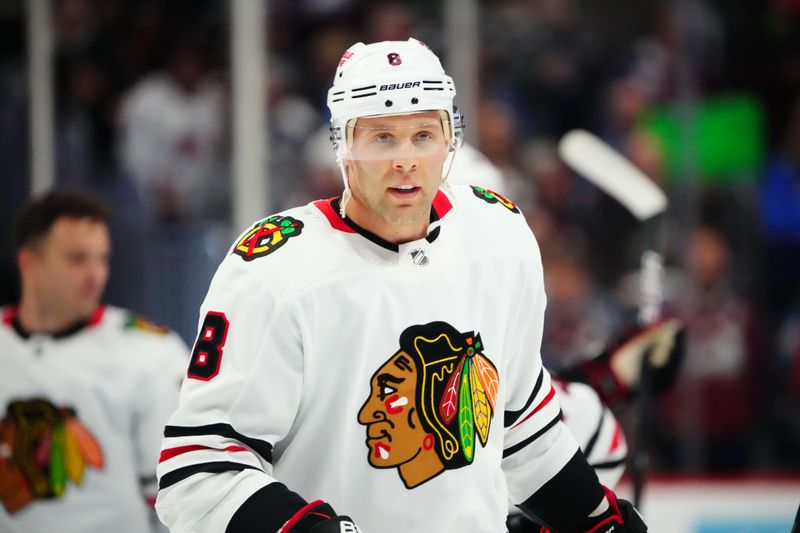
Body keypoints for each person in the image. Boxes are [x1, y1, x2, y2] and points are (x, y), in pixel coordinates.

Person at [156, 38, 647, 532]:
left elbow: (521, 427)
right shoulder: (274, 270)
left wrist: (597, 520)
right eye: (382, 137)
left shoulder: (499, 236)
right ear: (343, 145)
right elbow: (197, 472)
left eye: (423, 135)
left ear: (450, 139)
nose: (406, 160)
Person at [0, 190, 188, 533]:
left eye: (102, 259)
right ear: (28, 262)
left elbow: (183, 503)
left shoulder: (151, 354)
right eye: (77, 259)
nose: (95, 274)